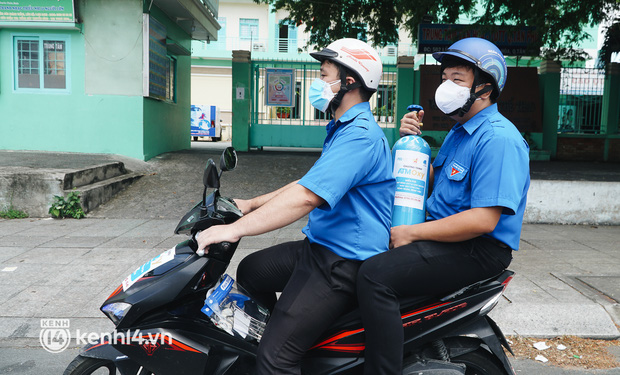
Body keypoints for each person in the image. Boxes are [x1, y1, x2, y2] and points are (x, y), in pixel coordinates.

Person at [196, 38, 395, 374]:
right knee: (251, 271)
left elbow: (305, 198)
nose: (317, 81)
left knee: (274, 360)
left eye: (323, 73)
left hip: (341, 263)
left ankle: (282, 353)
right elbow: (307, 183)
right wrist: (248, 205)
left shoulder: (361, 135)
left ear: (349, 82)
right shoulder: (343, 129)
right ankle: (287, 336)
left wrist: (230, 230)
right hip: (320, 248)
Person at [356, 37, 531, 374]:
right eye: (444, 78)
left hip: (477, 249)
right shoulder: (460, 132)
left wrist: (411, 232)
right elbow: (440, 184)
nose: (446, 86)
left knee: (375, 277)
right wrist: (412, 146)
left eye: (457, 80)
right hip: (448, 238)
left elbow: (483, 219)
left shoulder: (499, 138)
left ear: (485, 87)